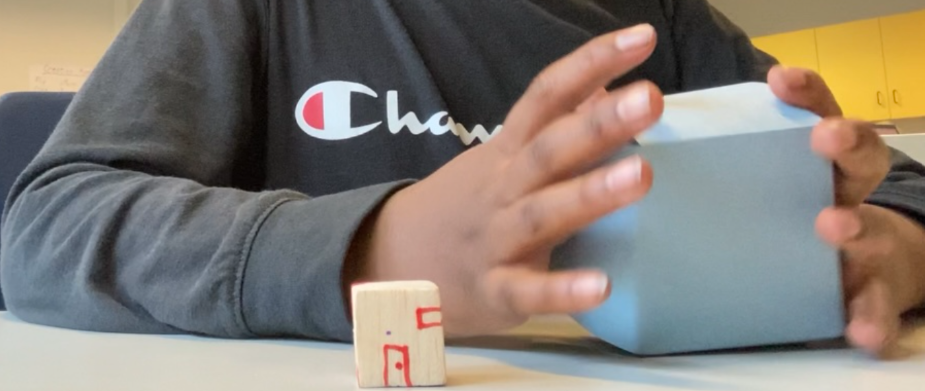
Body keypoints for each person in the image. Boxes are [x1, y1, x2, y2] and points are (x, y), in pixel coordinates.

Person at [1, 0, 924, 357]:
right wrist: (375, 250)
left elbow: (896, 185)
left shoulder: (666, 23)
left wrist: (890, 242)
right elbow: (47, 227)